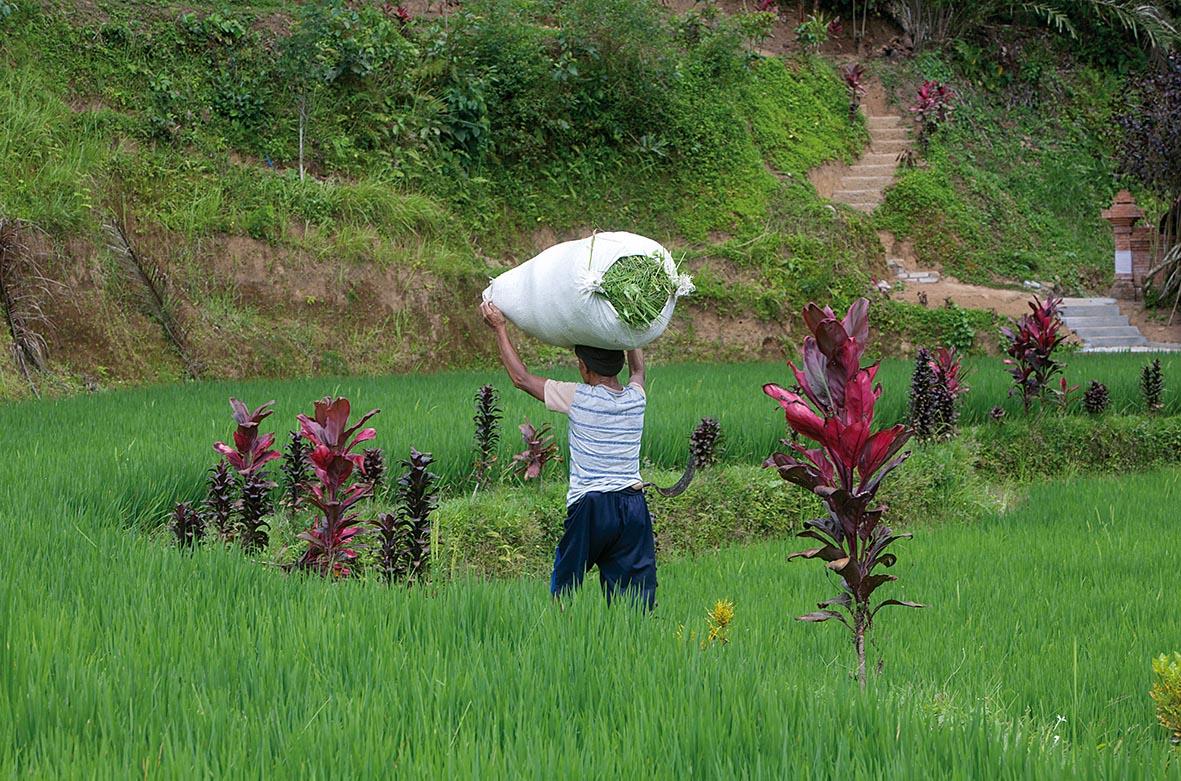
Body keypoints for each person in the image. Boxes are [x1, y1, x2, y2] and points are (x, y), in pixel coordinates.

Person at [480, 300, 657, 610]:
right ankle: (634, 642)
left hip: (592, 506)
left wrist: (500, 328)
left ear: (584, 367)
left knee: (566, 583)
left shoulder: (578, 397)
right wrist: (630, 327)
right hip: (633, 506)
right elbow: (639, 369)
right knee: (635, 600)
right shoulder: (636, 397)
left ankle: (563, 634)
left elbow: (521, 378)